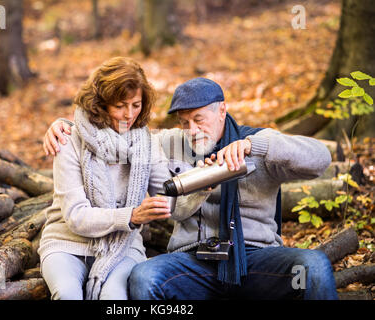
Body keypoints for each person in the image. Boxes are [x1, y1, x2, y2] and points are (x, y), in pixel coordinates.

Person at [43, 77, 338, 300]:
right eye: (185, 122)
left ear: (223, 110)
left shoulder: (258, 144)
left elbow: (320, 159)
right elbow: (117, 136)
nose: (192, 131)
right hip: (193, 260)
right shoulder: (169, 143)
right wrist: (65, 125)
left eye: (199, 120)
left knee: (312, 265)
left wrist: (254, 145)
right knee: (145, 277)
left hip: (253, 257)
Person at [37, 56, 174, 300]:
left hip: (124, 245)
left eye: (136, 105)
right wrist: (130, 216)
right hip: (67, 243)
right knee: (67, 294)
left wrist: (201, 186)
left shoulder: (146, 143)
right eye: (120, 105)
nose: (129, 115)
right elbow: (76, 217)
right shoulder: (68, 140)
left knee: (115, 298)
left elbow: (169, 194)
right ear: (100, 103)